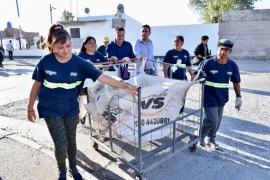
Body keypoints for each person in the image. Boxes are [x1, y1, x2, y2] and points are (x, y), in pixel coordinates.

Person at [27, 24, 137, 180]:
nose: (66, 50)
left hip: (71, 109)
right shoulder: (46, 61)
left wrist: (125, 86)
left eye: (68, 45)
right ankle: (62, 170)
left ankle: (73, 167)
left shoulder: (80, 63)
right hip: (50, 109)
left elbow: (103, 77)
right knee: (61, 142)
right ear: (52, 46)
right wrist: (30, 108)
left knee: (71, 141)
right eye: (61, 47)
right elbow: (36, 85)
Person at [197, 39, 242, 150]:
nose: (223, 52)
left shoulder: (232, 65)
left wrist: (238, 96)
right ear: (217, 49)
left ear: (229, 52)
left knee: (217, 121)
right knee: (213, 119)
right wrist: (199, 77)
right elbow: (195, 74)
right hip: (209, 97)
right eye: (221, 49)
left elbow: (236, 81)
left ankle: (211, 139)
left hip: (222, 97)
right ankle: (200, 136)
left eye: (226, 50)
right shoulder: (208, 63)